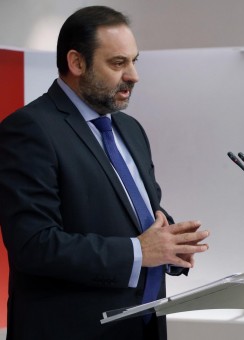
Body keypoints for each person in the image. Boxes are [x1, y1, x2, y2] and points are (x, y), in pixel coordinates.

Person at [0, 6, 210, 339]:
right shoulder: (30, 129)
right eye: (117, 63)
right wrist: (139, 251)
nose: (133, 75)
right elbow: (34, 245)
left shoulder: (130, 129)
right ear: (77, 63)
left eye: (134, 61)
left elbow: (129, 212)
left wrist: (170, 244)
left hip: (142, 325)